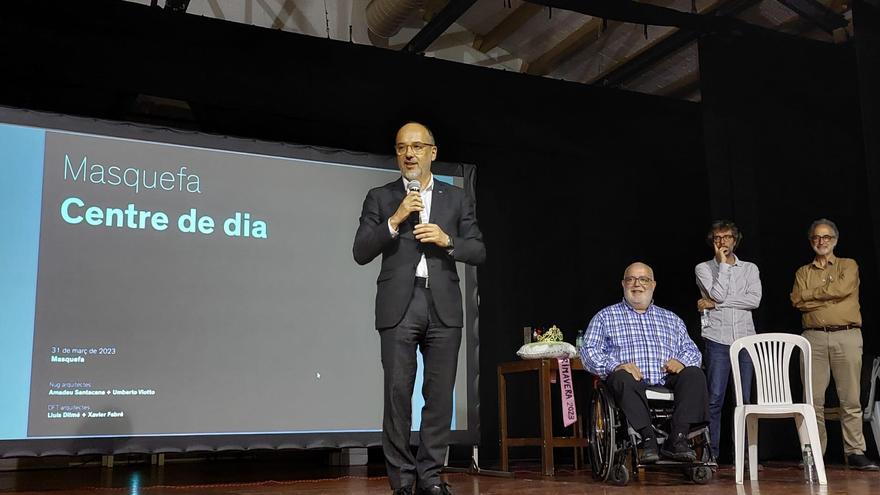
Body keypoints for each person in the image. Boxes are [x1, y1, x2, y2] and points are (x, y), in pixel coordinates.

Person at [353, 122, 486, 495]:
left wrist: (447, 240)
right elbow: (361, 250)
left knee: (440, 397)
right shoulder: (380, 197)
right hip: (400, 302)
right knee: (398, 395)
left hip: (442, 304)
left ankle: (429, 478)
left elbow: (478, 250)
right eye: (400, 148)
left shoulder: (456, 198)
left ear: (433, 152)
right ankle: (403, 482)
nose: (408, 154)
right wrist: (394, 220)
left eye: (416, 146)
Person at [580, 262, 708, 463]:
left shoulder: (671, 319)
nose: (636, 284)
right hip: (630, 382)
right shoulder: (605, 317)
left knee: (695, 374)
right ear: (623, 284)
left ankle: (678, 439)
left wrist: (681, 362)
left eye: (643, 279)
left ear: (653, 284)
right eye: (631, 279)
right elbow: (588, 352)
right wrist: (615, 365)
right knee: (621, 377)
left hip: (667, 379)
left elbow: (692, 351)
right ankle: (648, 440)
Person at [791, 218, 879, 470]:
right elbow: (797, 300)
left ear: (835, 240)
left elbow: (844, 289)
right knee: (812, 400)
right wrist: (829, 295)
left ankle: (855, 452)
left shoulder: (848, 265)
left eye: (827, 237)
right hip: (813, 337)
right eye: (817, 238)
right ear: (811, 242)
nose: (822, 242)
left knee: (850, 399)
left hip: (847, 336)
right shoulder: (803, 272)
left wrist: (814, 295)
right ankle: (814, 453)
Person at [695, 220, 761, 460]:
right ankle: (711, 455)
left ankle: (744, 457)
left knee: (744, 400)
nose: (722, 242)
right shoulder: (703, 268)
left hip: (745, 341)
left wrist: (716, 303)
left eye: (727, 237)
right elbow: (718, 293)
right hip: (717, 339)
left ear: (736, 240)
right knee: (714, 399)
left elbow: (754, 300)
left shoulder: (750, 269)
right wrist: (722, 266)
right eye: (717, 238)